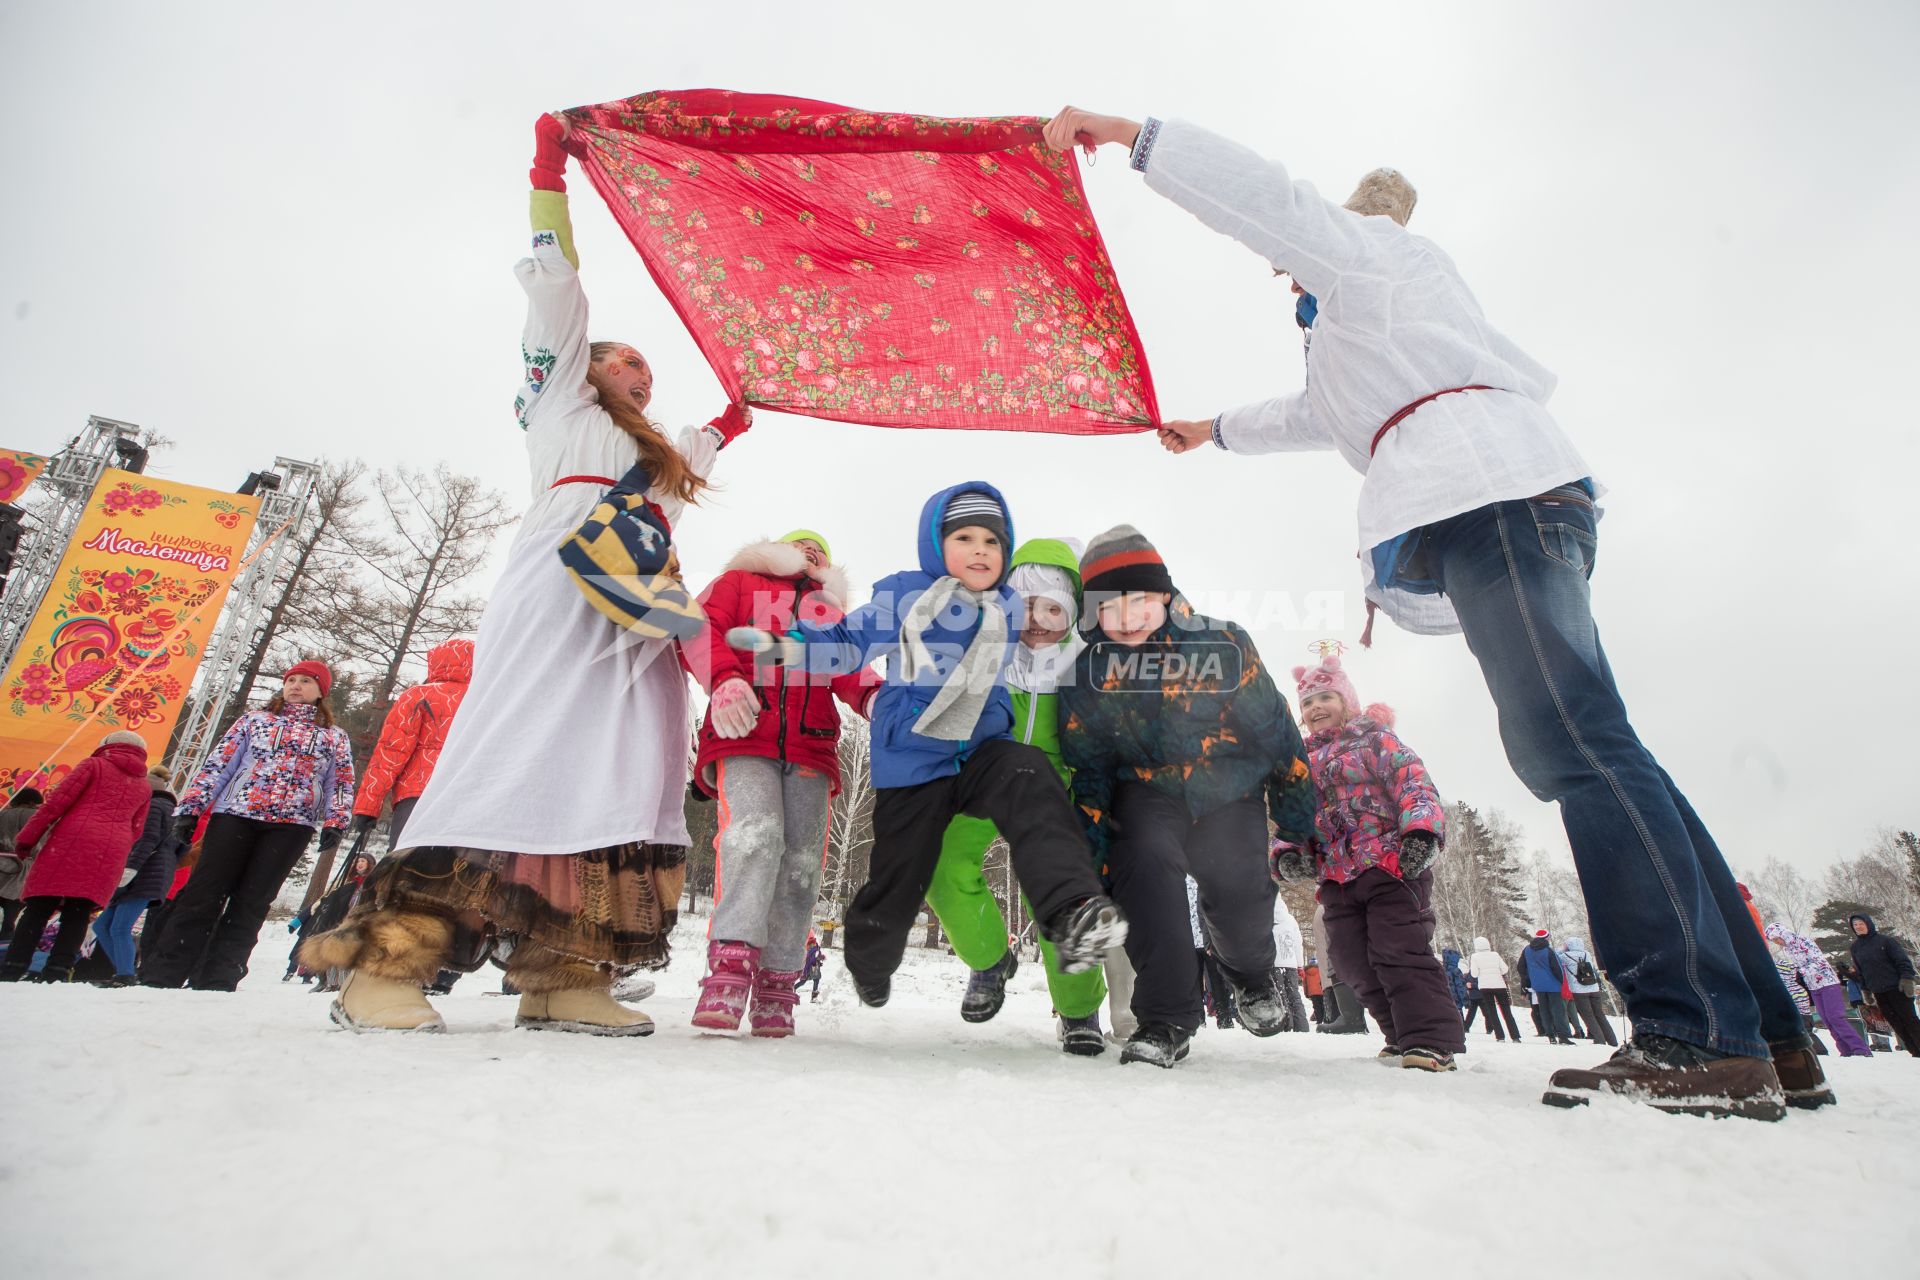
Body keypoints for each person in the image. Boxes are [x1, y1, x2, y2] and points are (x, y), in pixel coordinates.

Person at [1043, 106, 1808, 1120]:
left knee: (1569, 744)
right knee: (1607, 745)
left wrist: (1132, 136)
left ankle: (1698, 1032)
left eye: (1295, 264)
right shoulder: (1373, 334)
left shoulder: (1368, 262)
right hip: (1508, 496)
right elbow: (1312, 416)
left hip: (1490, 498)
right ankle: (1772, 1032)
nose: (1287, 275)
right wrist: (1212, 430)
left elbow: (1266, 199)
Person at [300, 117, 743, 1036]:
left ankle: (565, 974)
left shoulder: (655, 459)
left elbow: (719, 427)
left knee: (621, 773)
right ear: (588, 367)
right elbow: (559, 293)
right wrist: (550, 177)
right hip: (559, 585)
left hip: (639, 606)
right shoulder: (559, 404)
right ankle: (389, 965)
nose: (644, 376)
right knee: (519, 751)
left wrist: (748, 401)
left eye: (653, 373)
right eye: (630, 360)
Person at [723, 483, 1126, 1014]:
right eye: (965, 538)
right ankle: (870, 959)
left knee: (1031, 778)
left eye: (992, 541)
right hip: (916, 760)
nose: (981, 550)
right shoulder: (908, 597)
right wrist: (796, 645)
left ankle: (1073, 912)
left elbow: (1080, 632)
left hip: (983, 752)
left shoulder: (1008, 606)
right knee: (899, 880)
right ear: (936, 546)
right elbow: (852, 641)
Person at [1060, 526, 1315, 1067]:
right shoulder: (1090, 673)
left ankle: (1249, 975)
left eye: (1139, 600)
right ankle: (1166, 1018)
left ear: (1164, 596)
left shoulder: (1222, 645)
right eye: (1109, 606)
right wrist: (1089, 847)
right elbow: (1091, 765)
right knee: (1143, 865)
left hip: (1228, 789)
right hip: (1146, 791)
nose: (1127, 616)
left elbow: (1274, 731)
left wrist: (1296, 822)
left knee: (1238, 883)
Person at [921, 537, 1111, 1056]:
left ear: (1071, 614)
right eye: (1027, 606)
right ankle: (988, 960)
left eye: (1053, 608)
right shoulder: (987, 654)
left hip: (1058, 789)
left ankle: (1079, 1009)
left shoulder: (1087, 667)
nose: (1039, 619)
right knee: (939, 860)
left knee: (1066, 888)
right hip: (987, 780)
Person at [681, 530, 872, 1038]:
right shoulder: (740, 582)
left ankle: (778, 982)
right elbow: (699, 628)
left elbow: (852, 669)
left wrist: (881, 703)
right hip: (744, 732)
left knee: (802, 861)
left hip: (811, 746)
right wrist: (724, 677)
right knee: (755, 835)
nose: (812, 551)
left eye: (821, 550)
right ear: (777, 551)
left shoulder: (827, 614)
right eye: (801, 544)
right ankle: (728, 970)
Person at [1273, 655, 1461, 1070]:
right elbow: (1293, 814)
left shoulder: (1375, 739)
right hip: (1336, 877)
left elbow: (1412, 782)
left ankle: (1429, 1038)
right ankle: (1398, 1034)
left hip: (1390, 866)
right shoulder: (1299, 762)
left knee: (1398, 948)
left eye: (1325, 697)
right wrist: (1288, 853)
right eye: (1307, 702)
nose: (1316, 707)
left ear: (1348, 700)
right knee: (1351, 959)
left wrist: (1422, 832)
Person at [140, 663, 353, 991]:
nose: (296, 686)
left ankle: (220, 976)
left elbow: (340, 780)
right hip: (235, 816)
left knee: (252, 903)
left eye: (306, 681)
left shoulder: (333, 737)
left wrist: (336, 820)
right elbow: (218, 765)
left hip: (291, 825)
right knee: (203, 894)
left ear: (321, 691)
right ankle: (163, 972)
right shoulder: (254, 722)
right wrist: (190, 810)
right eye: (291, 680)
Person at [0, 732, 152, 983]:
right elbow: (137, 829)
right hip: (111, 850)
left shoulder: (93, 765)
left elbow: (56, 804)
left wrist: (28, 838)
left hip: (71, 840)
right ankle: (58, 971)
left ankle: (14, 966)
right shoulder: (144, 786)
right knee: (79, 912)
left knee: (40, 905)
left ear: (108, 745)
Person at [350, 638, 475, 851]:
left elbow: (390, 753)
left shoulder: (418, 695)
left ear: (435, 661)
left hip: (416, 794)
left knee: (405, 863)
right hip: (467, 794)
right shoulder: (482, 698)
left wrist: (368, 807)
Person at [90, 766, 178, 987]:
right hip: (146, 872)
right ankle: (123, 971)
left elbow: (146, 841)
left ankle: (125, 974)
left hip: (143, 873)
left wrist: (131, 869)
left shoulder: (154, 807)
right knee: (103, 925)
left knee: (119, 927)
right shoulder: (166, 808)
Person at [1848, 914, 1918, 1057]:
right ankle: (1915, 1052)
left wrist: (1907, 979)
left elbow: (1902, 961)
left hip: (1897, 988)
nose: (1858, 927)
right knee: (1895, 1022)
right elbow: (1861, 972)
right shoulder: (1855, 947)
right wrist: (1865, 990)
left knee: (1909, 1019)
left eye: (1860, 923)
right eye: (1855, 925)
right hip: (1878, 992)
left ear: (1868, 923)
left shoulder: (1885, 941)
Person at [0, 787, 45, 937]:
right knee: (11, 918)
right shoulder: (39, 818)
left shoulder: (2, 814)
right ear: (32, 802)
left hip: (2, 865)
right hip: (25, 872)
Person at [1559, 936, 1619, 1049]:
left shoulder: (1565, 956)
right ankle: (1612, 1040)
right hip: (1594, 988)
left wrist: (1563, 949)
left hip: (1579, 990)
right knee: (1600, 1015)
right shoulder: (1587, 954)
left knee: (1588, 1016)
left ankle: (1599, 1040)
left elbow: (1556, 955)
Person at [1461, 937, 1523, 1042]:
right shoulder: (1495, 955)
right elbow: (1505, 969)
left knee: (1492, 1012)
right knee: (1507, 1012)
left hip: (1485, 987)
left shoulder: (1475, 957)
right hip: (1499, 986)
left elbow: (1474, 974)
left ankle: (1500, 1037)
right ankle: (1515, 1036)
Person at [1520, 931, 1576, 1045]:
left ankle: (1550, 1036)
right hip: (1553, 985)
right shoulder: (1548, 951)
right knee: (1558, 1011)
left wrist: (1529, 980)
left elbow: (1521, 967)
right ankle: (1563, 1036)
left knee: (1544, 1011)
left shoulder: (1527, 950)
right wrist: (1561, 982)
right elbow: (1557, 968)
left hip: (1538, 986)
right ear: (1546, 939)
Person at [1272, 891, 1311, 1033]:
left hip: (1274, 964)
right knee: (1294, 995)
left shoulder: (1264, 918)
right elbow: (1297, 943)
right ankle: (1302, 1026)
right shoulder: (1290, 919)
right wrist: (1300, 964)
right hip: (1290, 964)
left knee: (1280, 995)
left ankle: (1286, 1025)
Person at [799, 936, 826, 1003]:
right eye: (813, 942)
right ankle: (793, 988)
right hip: (812, 968)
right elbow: (812, 959)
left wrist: (819, 961)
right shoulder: (813, 949)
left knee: (815, 980)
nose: (814, 943)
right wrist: (819, 959)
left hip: (812, 967)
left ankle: (813, 998)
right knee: (805, 981)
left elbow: (814, 958)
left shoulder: (813, 949)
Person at [1302, 955, 1325, 1024]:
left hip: (1312, 993)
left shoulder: (1306, 971)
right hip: (1321, 990)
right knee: (1323, 1005)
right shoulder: (1321, 969)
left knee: (1316, 1006)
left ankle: (1319, 1020)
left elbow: (1304, 983)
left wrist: (1306, 993)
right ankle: (1324, 1019)